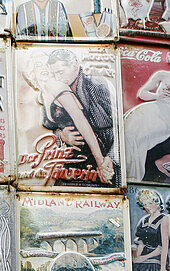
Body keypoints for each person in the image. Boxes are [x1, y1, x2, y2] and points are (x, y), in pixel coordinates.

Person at [24, 50, 116, 184]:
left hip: (90, 160)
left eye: (45, 63)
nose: (44, 67)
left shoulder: (59, 87)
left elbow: (82, 121)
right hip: (70, 162)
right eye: (38, 64)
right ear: (31, 70)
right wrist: (61, 135)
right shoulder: (43, 93)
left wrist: (101, 162)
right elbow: (59, 126)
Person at [123, 52, 170, 181]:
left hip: (168, 117)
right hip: (150, 109)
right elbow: (142, 93)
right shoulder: (163, 75)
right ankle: (126, 175)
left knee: (139, 138)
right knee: (127, 133)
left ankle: (134, 177)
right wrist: (157, 96)